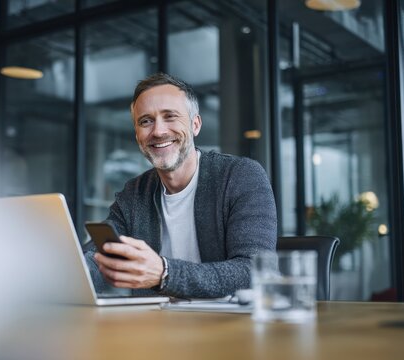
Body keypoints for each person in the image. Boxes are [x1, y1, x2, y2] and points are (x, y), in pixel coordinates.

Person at [85, 73, 277, 299]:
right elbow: (99, 257)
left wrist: (165, 273)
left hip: (228, 326)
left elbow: (255, 270)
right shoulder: (134, 193)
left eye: (170, 116)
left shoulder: (240, 176)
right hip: (154, 328)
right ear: (137, 135)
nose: (158, 131)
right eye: (145, 121)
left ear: (195, 125)